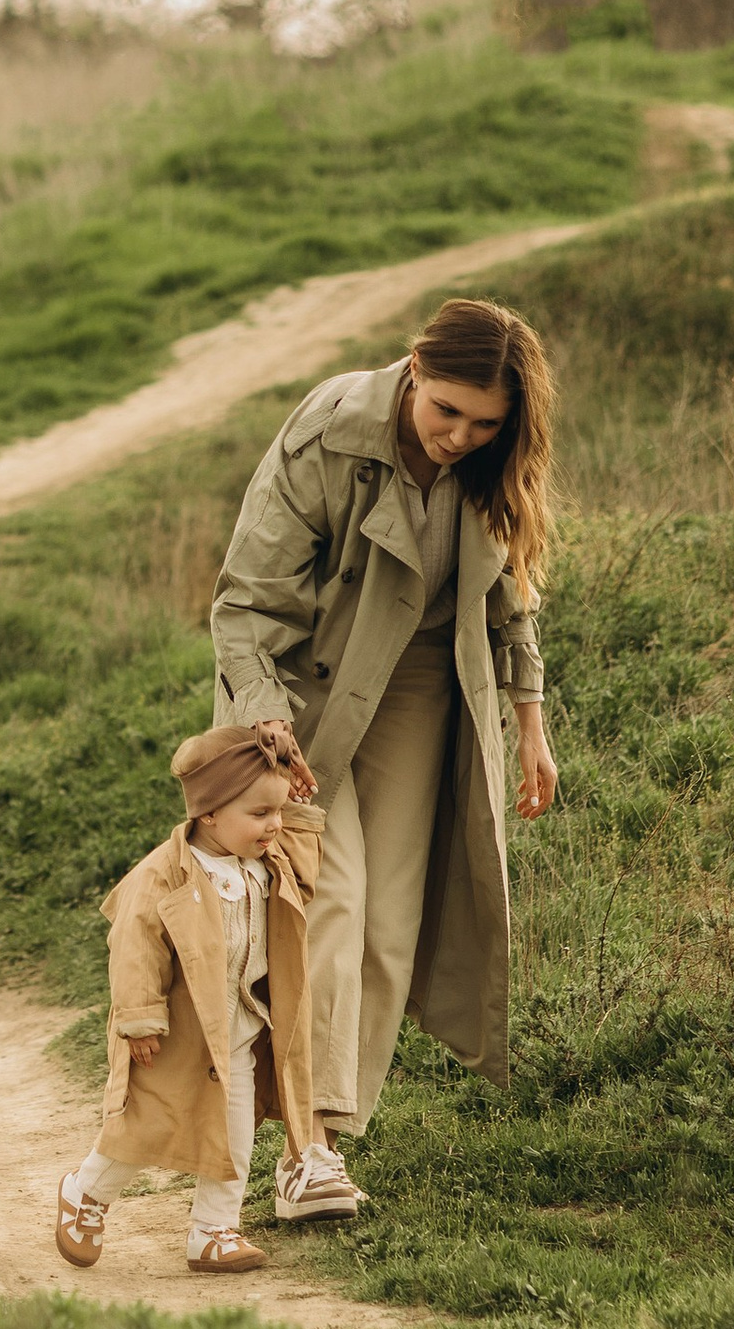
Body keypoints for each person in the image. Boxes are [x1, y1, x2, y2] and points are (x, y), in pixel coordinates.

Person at [206, 294, 557, 1219]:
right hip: (308, 692)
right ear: (413, 369)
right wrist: (262, 725)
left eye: (485, 423)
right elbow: (245, 605)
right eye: (446, 409)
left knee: (390, 922)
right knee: (331, 894)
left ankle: (316, 1133)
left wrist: (530, 715)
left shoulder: (494, 459)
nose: (460, 436)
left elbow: (507, 591)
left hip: (422, 690)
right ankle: (305, 1152)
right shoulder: (328, 435)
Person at [55, 718, 322, 1279]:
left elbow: (306, 855)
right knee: (144, 1127)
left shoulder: (267, 861)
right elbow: (133, 946)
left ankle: (213, 1231)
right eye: (260, 814)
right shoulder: (165, 875)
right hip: (175, 1034)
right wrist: (139, 1018)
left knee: (235, 1136)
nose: (274, 826)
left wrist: (291, 789)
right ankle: (84, 1193)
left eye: (278, 813)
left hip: (239, 1030)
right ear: (208, 813)